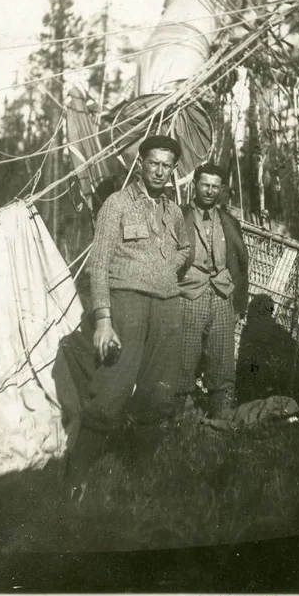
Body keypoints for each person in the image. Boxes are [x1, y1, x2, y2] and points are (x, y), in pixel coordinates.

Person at [67, 135, 190, 493]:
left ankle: (141, 479)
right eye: (154, 163)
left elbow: (184, 249)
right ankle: (76, 479)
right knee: (112, 388)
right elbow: (98, 264)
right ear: (140, 163)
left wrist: (168, 268)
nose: (160, 171)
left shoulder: (173, 211)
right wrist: (103, 319)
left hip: (167, 306)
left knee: (158, 394)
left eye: (167, 166)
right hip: (127, 307)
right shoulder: (117, 205)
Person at [175, 163, 249, 419]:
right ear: (194, 184)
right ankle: (180, 419)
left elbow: (240, 261)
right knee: (184, 358)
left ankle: (221, 419)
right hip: (189, 294)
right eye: (205, 184)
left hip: (221, 295)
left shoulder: (228, 221)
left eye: (215, 186)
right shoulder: (179, 215)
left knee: (222, 358)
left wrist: (238, 301)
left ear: (221, 189)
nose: (209, 191)